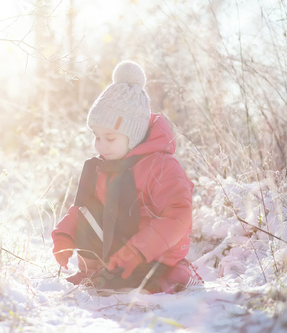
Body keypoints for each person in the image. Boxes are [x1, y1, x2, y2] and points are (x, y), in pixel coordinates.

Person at [52, 60, 203, 294]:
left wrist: (136, 251)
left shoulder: (162, 166)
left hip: (154, 251)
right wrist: (64, 235)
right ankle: (94, 270)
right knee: (90, 208)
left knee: (152, 282)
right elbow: (84, 208)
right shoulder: (106, 166)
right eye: (97, 137)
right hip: (122, 251)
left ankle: (180, 274)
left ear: (133, 135)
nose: (100, 145)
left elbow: (178, 216)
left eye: (110, 138)